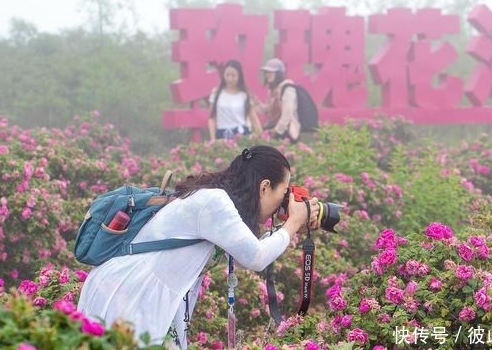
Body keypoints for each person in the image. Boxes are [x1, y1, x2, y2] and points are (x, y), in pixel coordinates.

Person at [77, 145, 320, 348]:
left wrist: (290, 224)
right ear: (264, 186)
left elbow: (251, 246)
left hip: (146, 293)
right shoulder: (213, 202)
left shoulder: (217, 201)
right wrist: (294, 222)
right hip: (131, 291)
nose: (283, 202)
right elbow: (255, 256)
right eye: (284, 193)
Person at [208, 59, 262, 142]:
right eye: (227, 75)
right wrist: (213, 139)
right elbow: (212, 118)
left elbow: (253, 118)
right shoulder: (216, 94)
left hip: (241, 136)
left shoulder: (244, 95)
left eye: (233, 76)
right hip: (222, 136)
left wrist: (259, 134)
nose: (230, 78)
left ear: (239, 76)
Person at [259, 58, 301, 141]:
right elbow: (268, 110)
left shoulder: (287, 89)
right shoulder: (272, 90)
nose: (267, 75)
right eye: (266, 72)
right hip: (273, 128)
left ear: (278, 74)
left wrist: (277, 130)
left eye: (271, 72)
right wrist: (256, 104)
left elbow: (287, 113)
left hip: (286, 132)